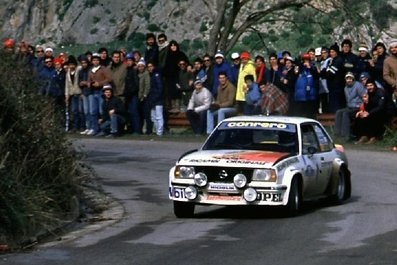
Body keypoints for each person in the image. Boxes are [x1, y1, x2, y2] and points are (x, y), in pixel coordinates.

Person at [334, 72, 367, 140]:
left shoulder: (358, 85)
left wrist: (362, 108)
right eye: (347, 78)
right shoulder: (345, 88)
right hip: (350, 107)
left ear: (353, 79)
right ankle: (337, 134)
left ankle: (345, 136)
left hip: (358, 107)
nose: (349, 80)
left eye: (350, 78)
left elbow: (364, 97)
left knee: (346, 114)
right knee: (339, 112)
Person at [353, 78, 386, 144]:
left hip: (385, 111)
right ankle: (364, 136)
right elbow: (368, 106)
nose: (369, 87)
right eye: (367, 86)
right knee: (360, 117)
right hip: (373, 111)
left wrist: (369, 113)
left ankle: (373, 137)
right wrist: (361, 112)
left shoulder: (380, 92)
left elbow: (381, 106)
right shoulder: (368, 93)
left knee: (372, 116)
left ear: (374, 85)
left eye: (371, 85)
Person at [87, 52, 113, 135]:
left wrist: (100, 83)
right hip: (93, 91)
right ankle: (95, 128)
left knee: (102, 111)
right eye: (94, 60)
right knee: (93, 111)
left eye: (97, 60)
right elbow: (89, 80)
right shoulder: (90, 70)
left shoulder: (103, 69)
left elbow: (109, 78)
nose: (95, 62)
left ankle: (104, 129)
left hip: (101, 91)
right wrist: (89, 83)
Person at [294, 53, 319, 118]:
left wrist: (310, 67)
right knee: (301, 113)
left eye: (307, 60)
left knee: (310, 113)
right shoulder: (300, 68)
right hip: (300, 95)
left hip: (310, 94)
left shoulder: (313, 67)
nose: (306, 62)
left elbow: (316, 76)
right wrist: (300, 65)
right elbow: (295, 73)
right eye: (304, 60)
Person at [323, 43, 345, 113]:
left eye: (333, 52)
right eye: (330, 52)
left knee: (336, 107)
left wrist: (323, 72)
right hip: (332, 87)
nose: (331, 53)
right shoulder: (331, 61)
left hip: (337, 87)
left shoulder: (338, 61)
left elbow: (330, 74)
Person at [64, 55, 83, 133]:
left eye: (73, 64)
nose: (71, 66)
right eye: (70, 65)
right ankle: (75, 127)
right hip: (72, 94)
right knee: (74, 111)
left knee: (80, 110)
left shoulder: (79, 70)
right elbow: (67, 85)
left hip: (79, 93)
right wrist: (66, 95)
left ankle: (81, 126)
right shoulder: (68, 73)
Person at [124, 53, 141, 134]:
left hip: (133, 95)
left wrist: (131, 92)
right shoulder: (127, 70)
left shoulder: (134, 70)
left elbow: (136, 84)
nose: (129, 62)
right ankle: (131, 129)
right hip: (128, 95)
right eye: (127, 60)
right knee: (129, 112)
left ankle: (137, 130)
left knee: (134, 112)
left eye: (130, 60)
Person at [146, 62, 164, 136]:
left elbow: (160, 88)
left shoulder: (156, 75)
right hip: (152, 99)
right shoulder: (152, 75)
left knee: (159, 116)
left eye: (151, 66)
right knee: (153, 117)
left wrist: (156, 97)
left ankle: (160, 132)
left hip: (158, 100)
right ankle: (157, 131)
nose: (150, 68)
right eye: (148, 67)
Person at [77, 54, 92, 134]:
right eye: (82, 63)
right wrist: (81, 84)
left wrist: (86, 83)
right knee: (86, 111)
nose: (84, 64)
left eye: (85, 63)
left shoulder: (90, 70)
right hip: (84, 92)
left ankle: (92, 127)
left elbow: (91, 82)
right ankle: (87, 127)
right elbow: (78, 82)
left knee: (91, 111)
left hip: (90, 92)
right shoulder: (80, 71)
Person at [137, 58, 151, 134]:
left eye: (142, 66)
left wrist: (144, 95)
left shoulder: (146, 74)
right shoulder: (137, 74)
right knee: (140, 115)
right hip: (138, 97)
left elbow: (147, 85)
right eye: (139, 66)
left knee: (146, 114)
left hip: (145, 97)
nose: (140, 68)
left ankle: (149, 130)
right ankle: (140, 130)